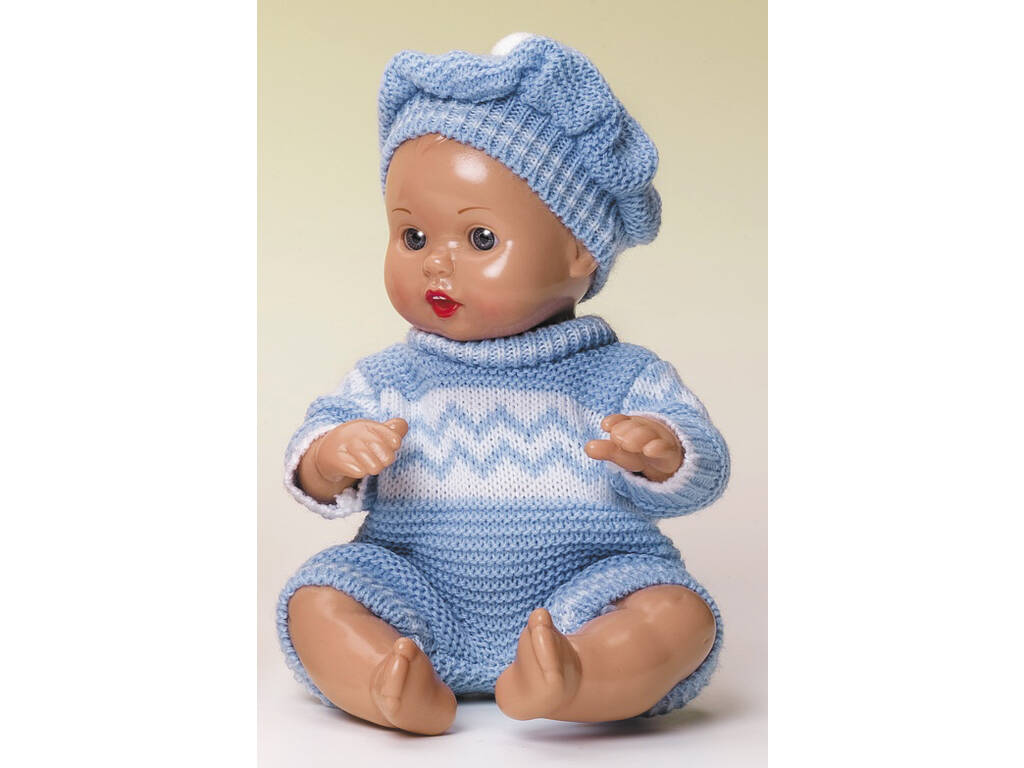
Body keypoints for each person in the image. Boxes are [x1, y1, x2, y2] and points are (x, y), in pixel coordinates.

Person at [277, 34, 730, 736]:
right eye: (413, 237)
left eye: (480, 239)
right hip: (417, 591)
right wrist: (331, 455)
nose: (437, 264)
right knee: (318, 599)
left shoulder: (623, 376)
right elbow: (314, 457)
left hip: (588, 591)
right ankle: (384, 677)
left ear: (580, 251)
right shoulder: (391, 378)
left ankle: (579, 675)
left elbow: (703, 470)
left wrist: (663, 452)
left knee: (679, 614)